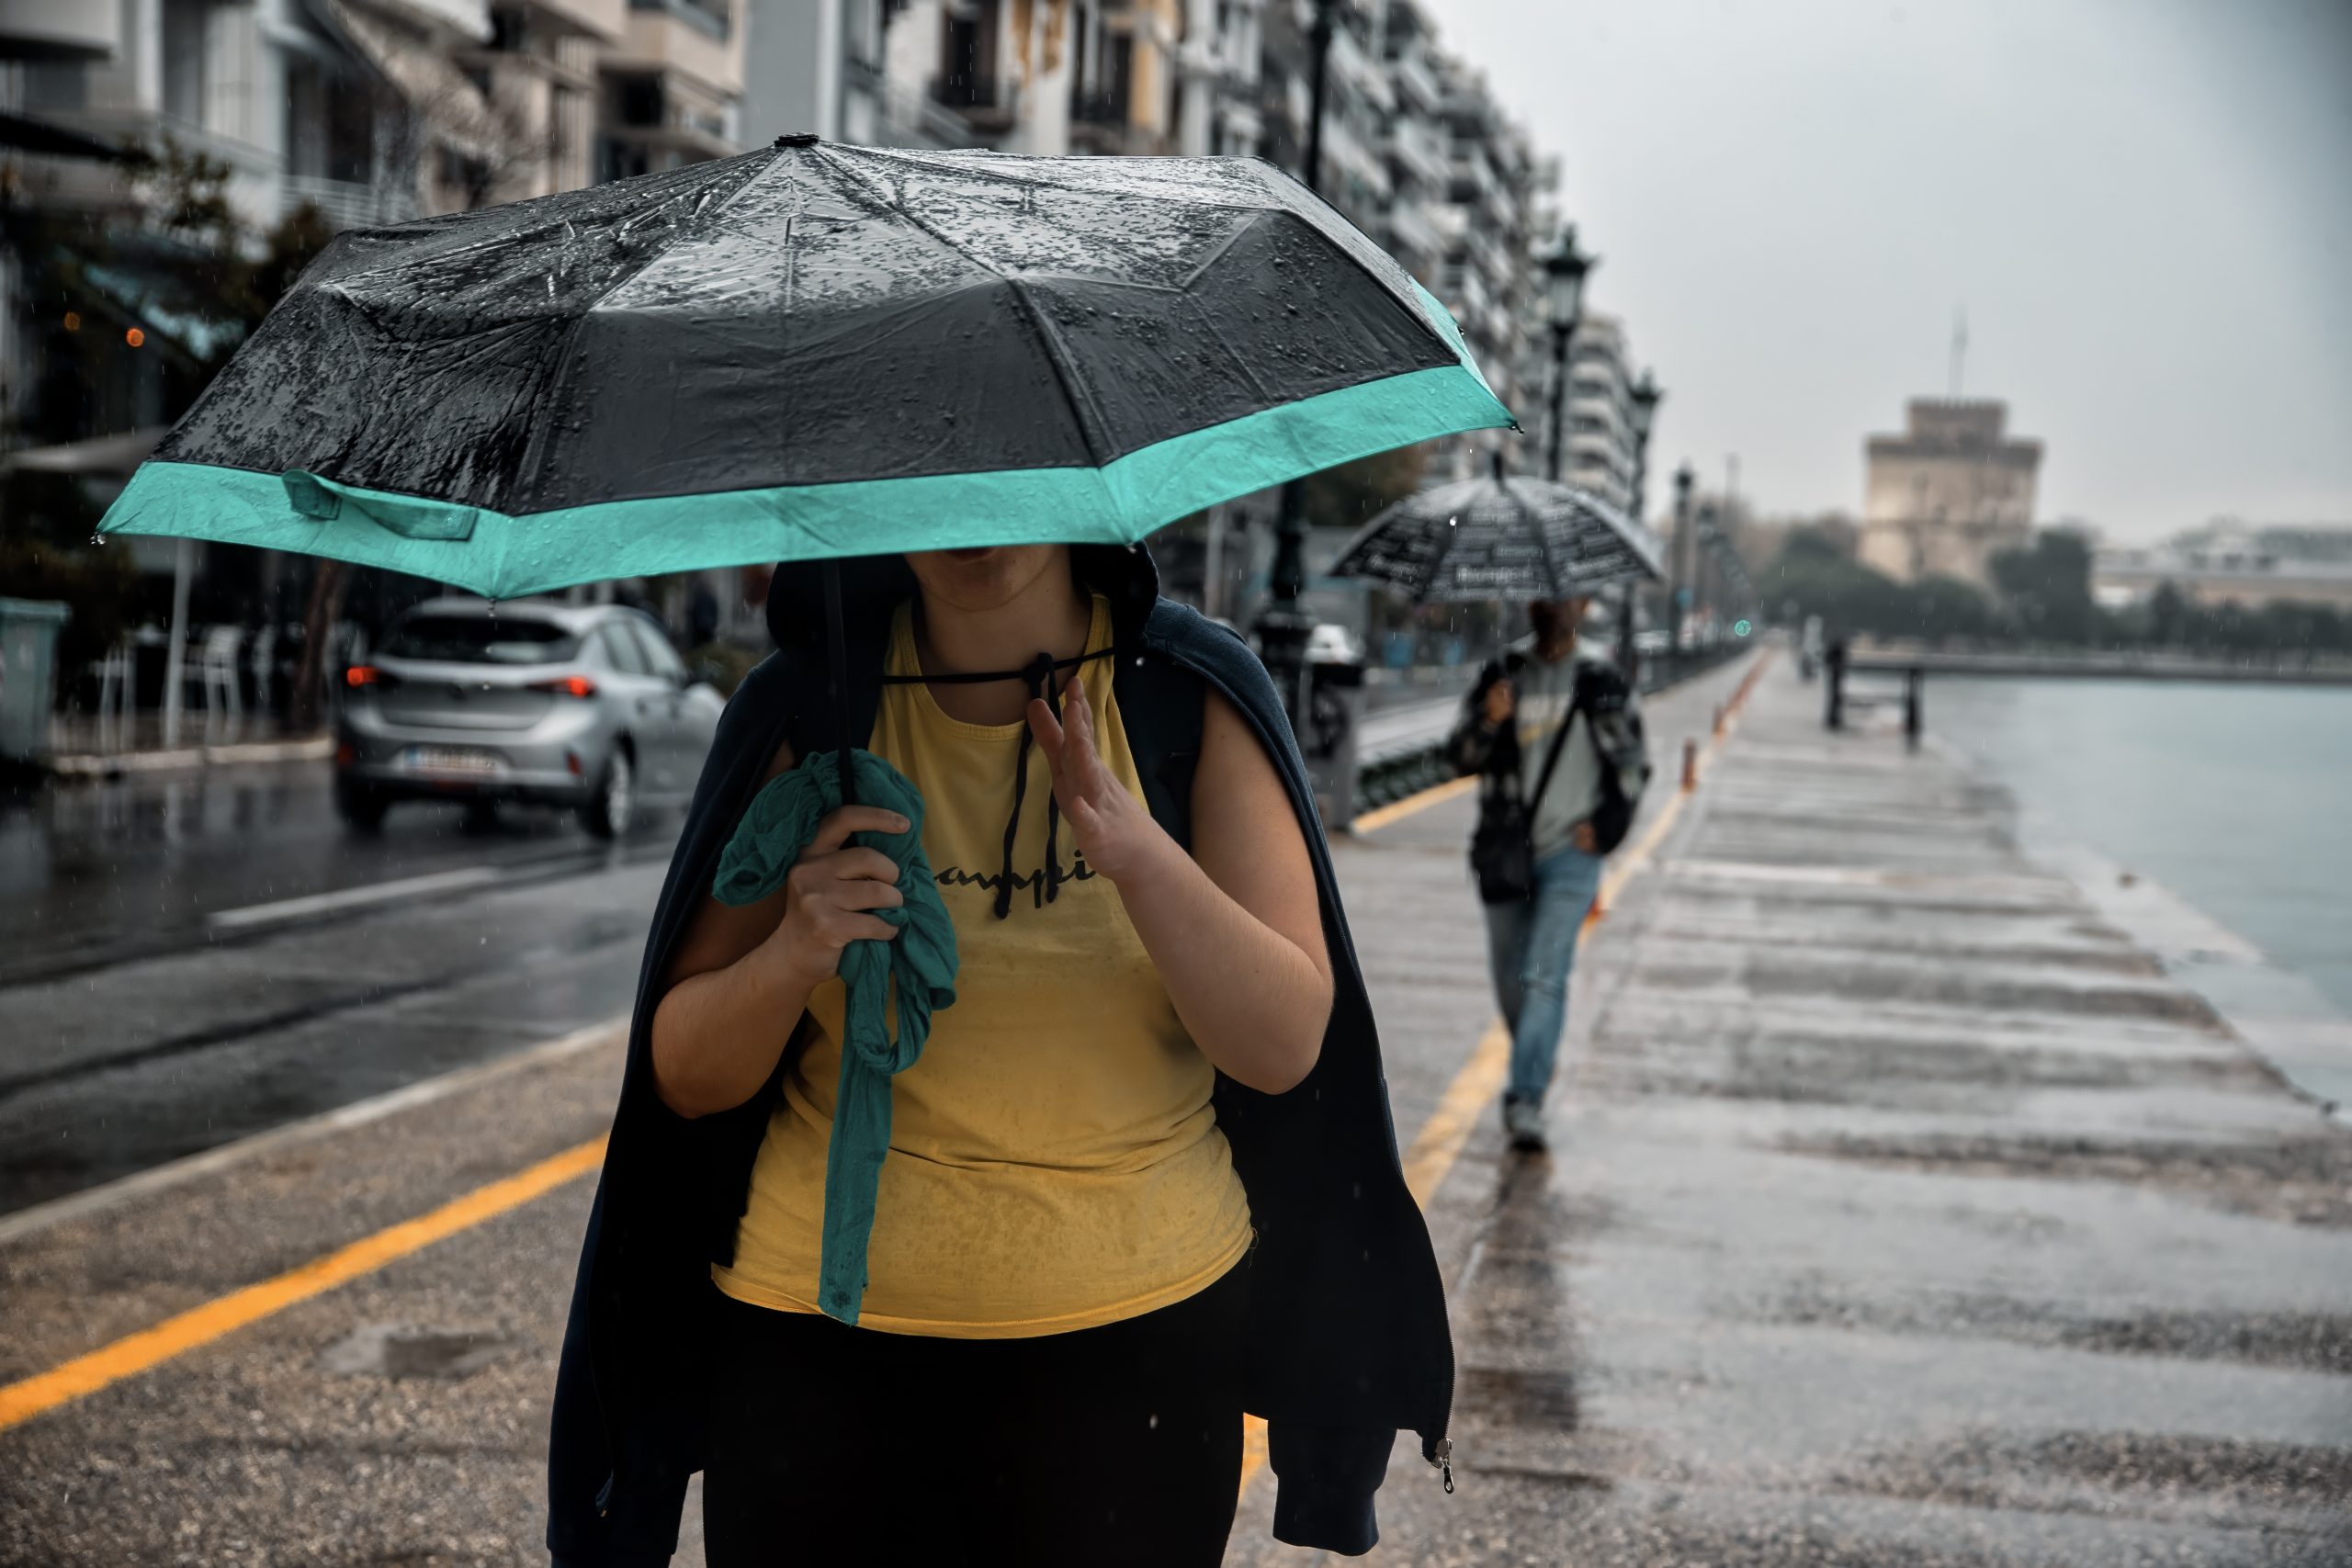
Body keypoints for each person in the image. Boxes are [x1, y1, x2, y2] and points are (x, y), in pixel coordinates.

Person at [547, 544, 1455, 1568]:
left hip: (1136, 1366)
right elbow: (682, 1075)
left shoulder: (1183, 696)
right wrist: (793, 952)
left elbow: (1286, 1045)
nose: (974, 524)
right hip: (814, 1359)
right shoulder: (810, 702)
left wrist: (1139, 855)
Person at [1448, 596, 1650, 1154]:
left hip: (1570, 856)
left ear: (1583, 603)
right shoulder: (1503, 673)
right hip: (1504, 852)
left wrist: (1609, 826)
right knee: (1513, 985)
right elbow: (1458, 758)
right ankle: (1537, 1050)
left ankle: (1525, 1098)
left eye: (1562, 596)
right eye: (1540, 595)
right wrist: (1489, 721)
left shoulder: (1601, 677)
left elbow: (1633, 763)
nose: (1550, 607)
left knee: (1544, 976)